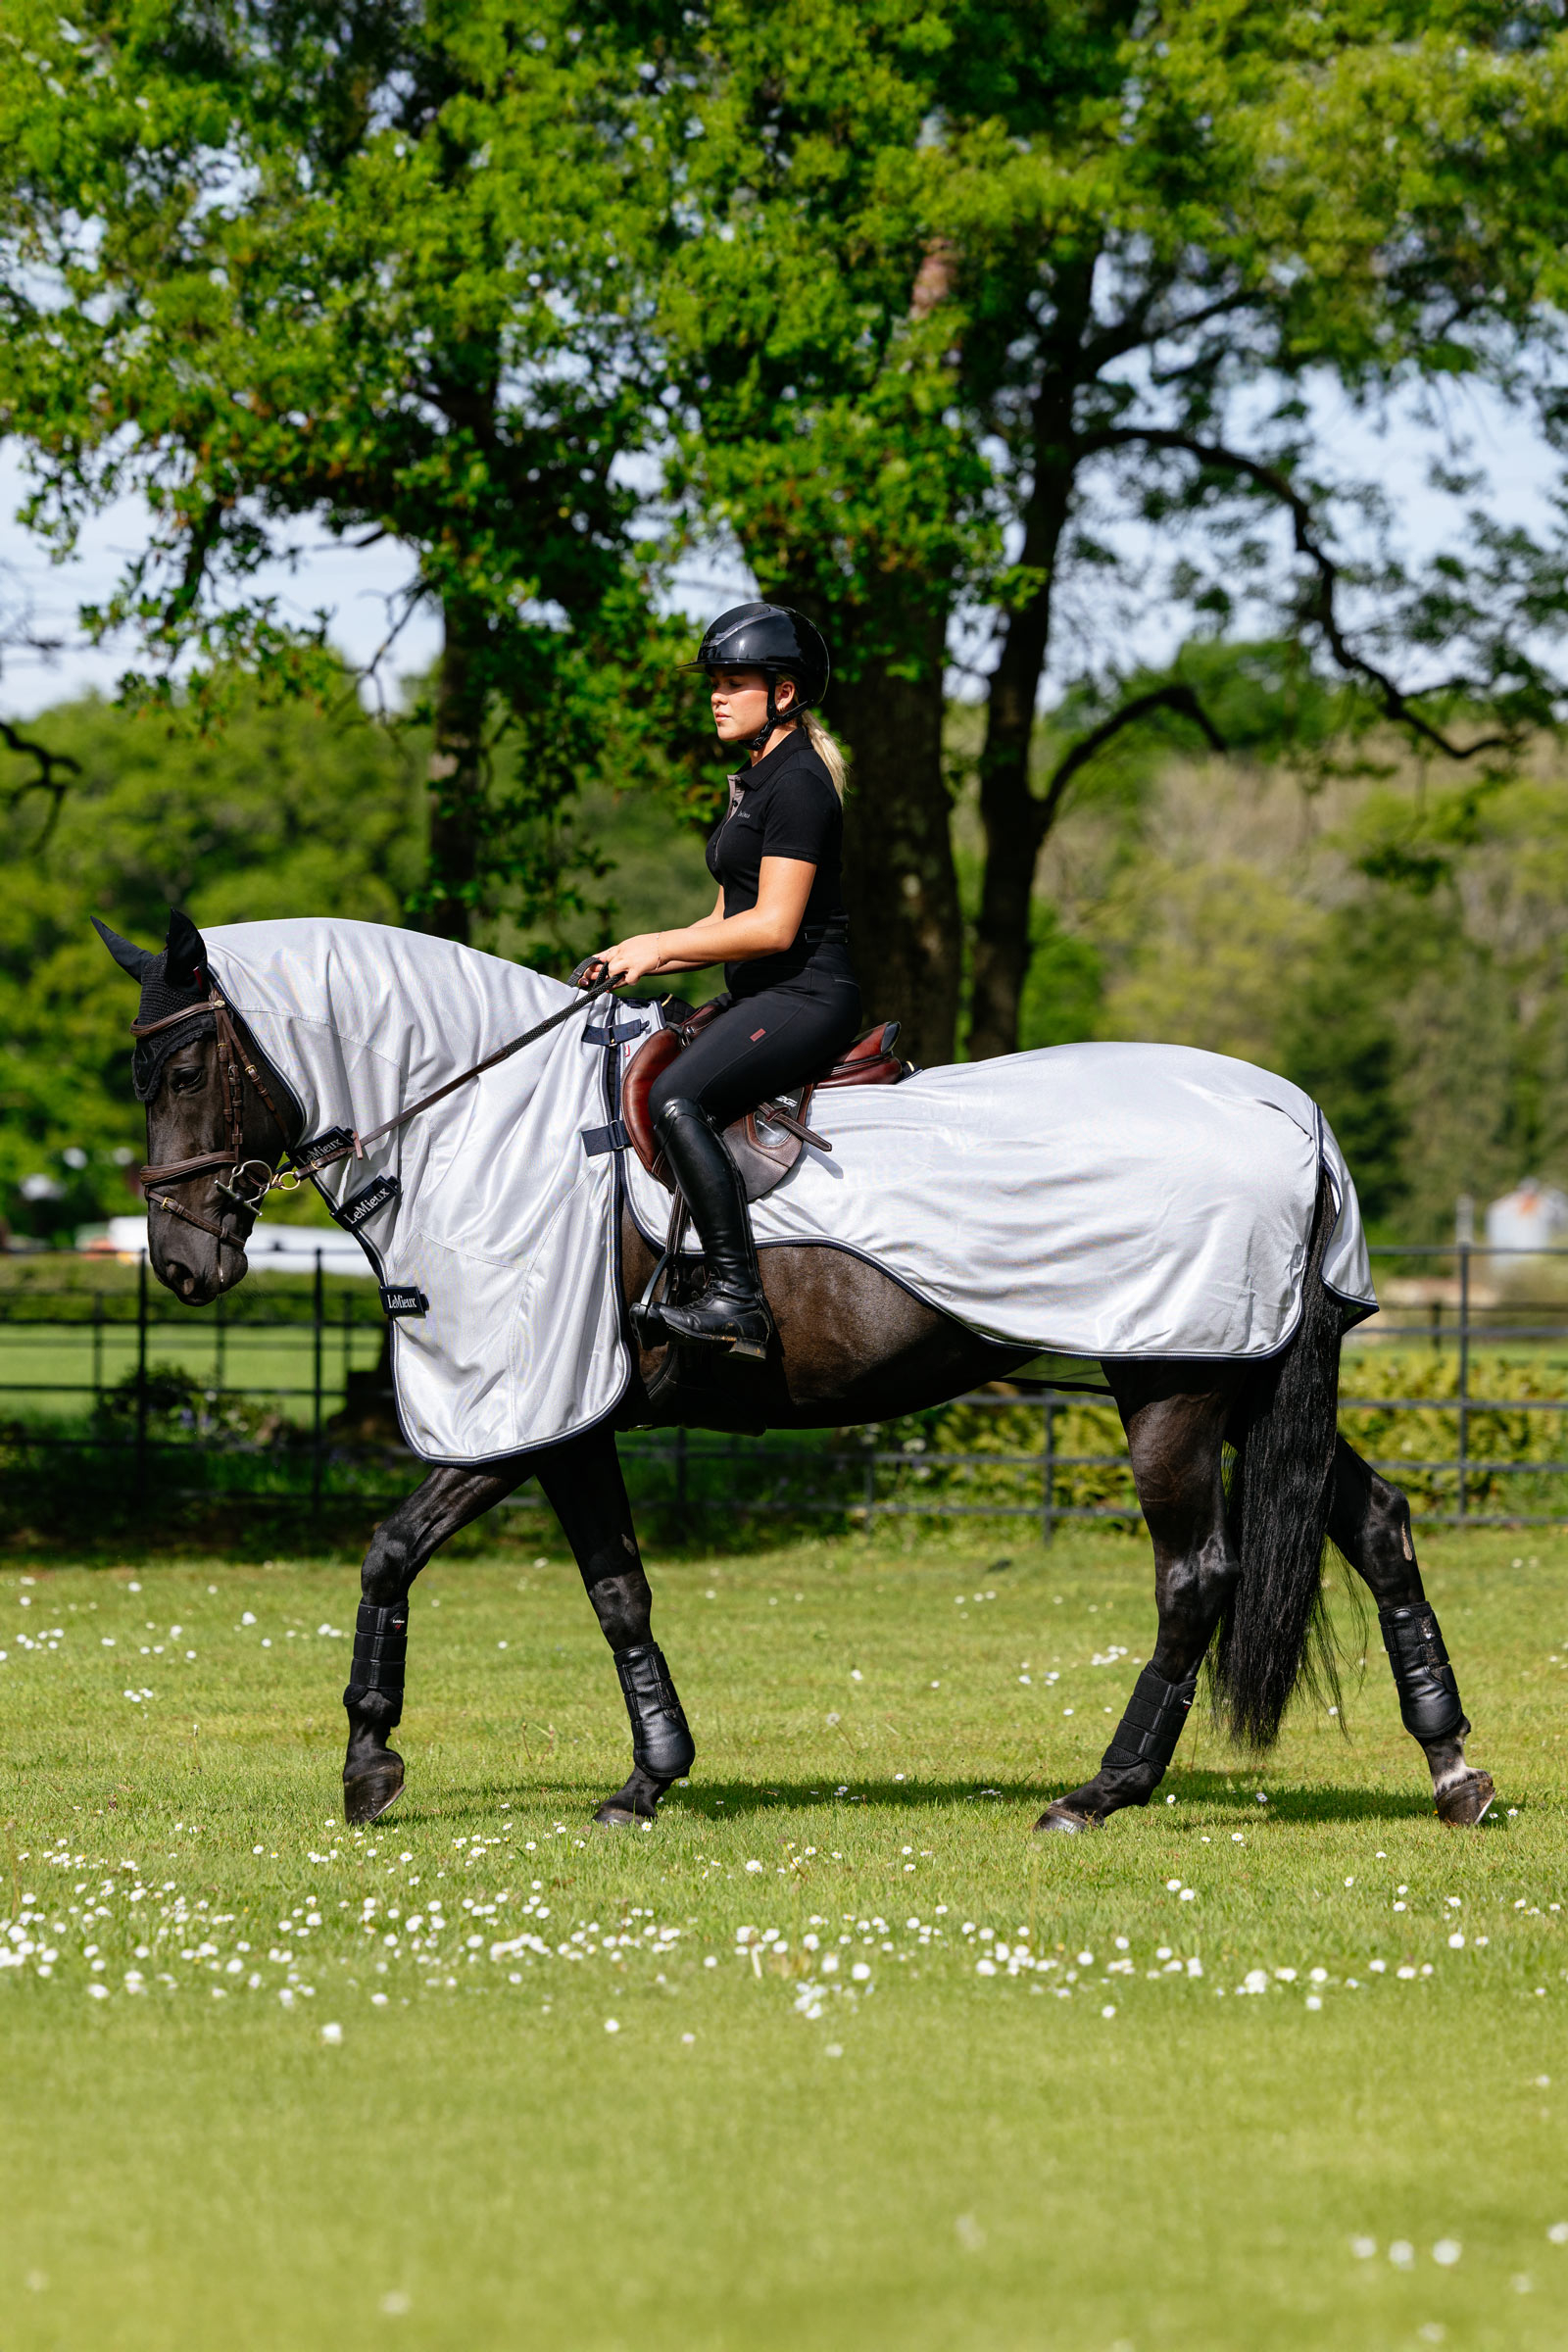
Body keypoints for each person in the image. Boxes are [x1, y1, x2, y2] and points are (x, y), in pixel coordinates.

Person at [584, 602, 860, 1353]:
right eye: (715, 682)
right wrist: (634, 953)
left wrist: (659, 945)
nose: (717, 696)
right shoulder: (756, 781)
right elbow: (723, 921)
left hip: (807, 995)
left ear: (784, 693)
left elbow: (772, 927)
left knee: (676, 1097)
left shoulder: (798, 783)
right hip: (760, 993)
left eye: (735, 682)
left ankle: (738, 1298)